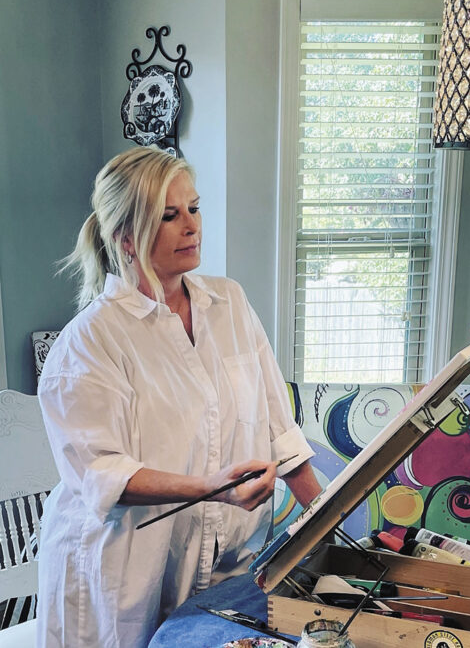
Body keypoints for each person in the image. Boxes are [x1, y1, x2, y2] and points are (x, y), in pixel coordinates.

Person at [36, 147, 322, 648]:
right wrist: (210, 486)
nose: (192, 226)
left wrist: (325, 521)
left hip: (224, 565)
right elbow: (102, 473)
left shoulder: (230, 303)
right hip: (122, 575)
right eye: (169, 216)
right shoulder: (90, 342)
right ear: (126, 237)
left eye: (194, 208)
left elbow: (280, 428)